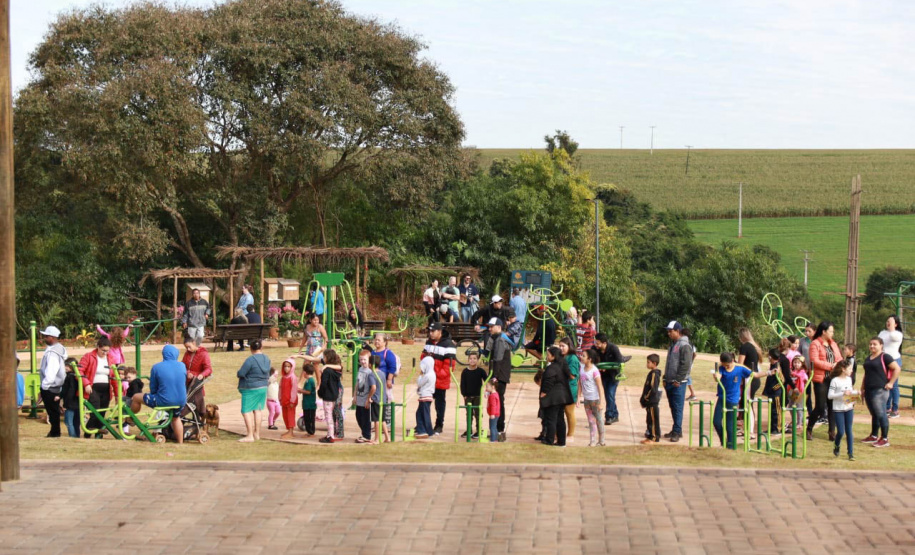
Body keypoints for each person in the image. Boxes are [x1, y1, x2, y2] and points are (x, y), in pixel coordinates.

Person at [129, 345, 188, 443]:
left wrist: (155, 395)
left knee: (135, 397)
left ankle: (130, 418)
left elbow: (153, 387)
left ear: (163, 354)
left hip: (164, 400)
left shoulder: (157, 367)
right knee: (175, 418)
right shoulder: (182, 366)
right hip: (181, 401)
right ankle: (180, 442)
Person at [713, 352, 768, 449]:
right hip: (722, 398)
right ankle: (723, 440)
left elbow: (755, 375)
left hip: (732, 399)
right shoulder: (721, 368)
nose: (726, 367)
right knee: (716, 422)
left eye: (728, 365)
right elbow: (718, 376)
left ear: (732, 361)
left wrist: (768, 373)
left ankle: (731, 446)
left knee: (729, 424)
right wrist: (716, 377)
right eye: (724, 365)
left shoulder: (740, 368)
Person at [861, 337, 901, 448]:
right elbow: (866, 374)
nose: (872, 346)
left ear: (881, 345)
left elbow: (897, 368)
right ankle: (873, 435)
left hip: (880, 390)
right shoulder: (868, 358)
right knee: (874, 413)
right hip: (869, 389)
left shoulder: (885, 357)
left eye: (875, 344)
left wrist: (891, 383)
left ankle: (884, 438)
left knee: (881, 413)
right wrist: (862, 387)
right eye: (870, 344)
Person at [806, 321, 840, 441]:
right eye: (831, 331)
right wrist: (831, 366)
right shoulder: (815, 344)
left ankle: (832, 432)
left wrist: (839, 365)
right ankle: (809, 428)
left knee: (832, 406)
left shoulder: (833, 344)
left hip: (833, 379)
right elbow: (814, 361)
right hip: (820, 379)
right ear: (824, 331)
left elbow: (839, 358)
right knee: (820, 407)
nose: (832, 333)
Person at [421, 321, 456, 435]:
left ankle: (439, 425)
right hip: (428, 381)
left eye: (433, 331)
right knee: (425, 403)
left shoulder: (449, 345)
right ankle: (424, 425)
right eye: (429, 331)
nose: (430, 333)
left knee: (439, 405)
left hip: (440, 381)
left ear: (439, 332)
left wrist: (434, 374)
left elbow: (449, 367)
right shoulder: (428, 342)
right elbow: (423, 357)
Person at [78, 337, 117, 439]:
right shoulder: (88, 356)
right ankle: (87, 433)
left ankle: (98, 436)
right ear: (98, 347)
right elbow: (79, 371)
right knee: (95, 411)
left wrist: (117, 394)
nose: (105, 353)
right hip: (93, 388)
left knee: (102, 413)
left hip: (106, 390)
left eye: (107, 351)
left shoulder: (110, 359)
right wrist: (86, 384)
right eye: (103, 350)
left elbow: (114, 377)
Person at [663, 321, 692, 443]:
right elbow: (670, 363)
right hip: (670, 381)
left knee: (678, 407)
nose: (669, 333)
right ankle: (676, 429)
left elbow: (685, 365)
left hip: (678, 382)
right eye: (668, 331)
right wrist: (665, 377)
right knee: (673, 407)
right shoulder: (673, 344)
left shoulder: (684, 345)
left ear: (677, 331)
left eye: (671, 331)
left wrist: (678, 379)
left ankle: (677, 431)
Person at [235, 339, 270, 443]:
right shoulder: (266, 358)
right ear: (261, 348)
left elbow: (241, 373)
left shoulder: (250, 360)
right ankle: (257, 434)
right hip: (263, 386)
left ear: (251, 348)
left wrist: (239, 373)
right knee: (258, 410)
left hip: (250, 387)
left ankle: (249, 435)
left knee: (246, 411)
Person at [539, 346, 574, 446]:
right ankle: (561, 441)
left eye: (548, 354)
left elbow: (549, 381)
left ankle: (549, 439)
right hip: (562, 397)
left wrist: (544, 393)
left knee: (552, 419)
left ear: (553, 356)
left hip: (554, 398)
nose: (546, 356)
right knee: (560, 419)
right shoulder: (562, 365)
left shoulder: (552, 368)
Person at [486, 318, 513, 442]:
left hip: (499, 377)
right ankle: (496, 429)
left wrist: (494, 377)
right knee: (497, 403)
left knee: (498, 403)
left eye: (492, 326)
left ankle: (499, 430)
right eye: (489, 326)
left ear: (499, 327)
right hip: (500, 376)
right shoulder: (497, 339)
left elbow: (497, 360)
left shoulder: (500, 340)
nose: (490, 328)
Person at [594, 333, 630, 426]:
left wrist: (607, 367)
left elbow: (619, 361)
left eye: (598, 343)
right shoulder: (595, 349)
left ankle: (609, 416)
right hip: (602, 375)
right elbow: (592, 360)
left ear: (604, 343)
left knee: (610, 394)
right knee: (608, 395)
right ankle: (615, 414)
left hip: (613, 375)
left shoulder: (613, 348)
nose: (596, 345)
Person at [39, 327, 69, 435]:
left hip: (50, 386)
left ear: (52, 337)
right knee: (54, 411)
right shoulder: (59, 349)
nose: (44, 338)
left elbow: (51, 371)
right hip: (56, 385)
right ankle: (55, 431)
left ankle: (55, 432)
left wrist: (45, 386)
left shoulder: (53, 353)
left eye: (46, 336)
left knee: (52, 412)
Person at [736, 327, 764, 438]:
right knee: (746, 402)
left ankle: (751, 431)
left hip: (750, 378)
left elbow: (740, 364)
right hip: (754, 378)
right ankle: (746, 428)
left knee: (748, 403)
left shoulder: (745, 346)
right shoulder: (753, 346)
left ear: (741, 337)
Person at [371, 333, 399, 442]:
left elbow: (392, 367)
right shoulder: (373, 352)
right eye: (375, 340)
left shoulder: (388, 353)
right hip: (375, 382)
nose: (377, 342)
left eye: (379, 340)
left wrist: (389, 379)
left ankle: (387, 422)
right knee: (376, 402)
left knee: (386, 401)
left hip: (384, 382)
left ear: (384, 342)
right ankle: (379, 424)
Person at [828, 360, 857, 460]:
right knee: (841, 431)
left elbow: (850, 392)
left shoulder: (849, 379)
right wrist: (842, 394)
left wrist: (854, 396)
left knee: (849, 430)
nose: (851, 370)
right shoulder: (835, 380)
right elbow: (830, 396)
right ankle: (837, 445)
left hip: (848, 408)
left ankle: (850, 453)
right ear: (843, 369)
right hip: (838, 409)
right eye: (849, 368)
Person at [579, 349, 605, 447]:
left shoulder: (594, 371)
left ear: (589, 359)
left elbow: (600, 387)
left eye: (583, 356)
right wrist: (578, 396)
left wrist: (601, 402)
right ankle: (592, 441)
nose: (581, 357)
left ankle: (602, 440)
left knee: (599, 420)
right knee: (590, 421)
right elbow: (580, 383)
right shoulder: (581, 368)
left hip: (595, 400)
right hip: (587, 400)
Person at [879, 315, 904, 418]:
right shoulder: (882, 333)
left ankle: (895, 409)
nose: (888, 323)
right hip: (884, 360)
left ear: (896, 324)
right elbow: (879, 343)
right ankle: (887, 407)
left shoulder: (898, 334)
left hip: (894, 361)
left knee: (893, 385)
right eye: (887, 321)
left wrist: (892, 328)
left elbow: (893, 337)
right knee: (885, 385)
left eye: (891, 321)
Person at [182, 337, 212, 420]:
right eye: (186, 347)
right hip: (187, 382)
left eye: (189, 347)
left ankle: (201, 419)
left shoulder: (204, 354)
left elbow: (208, 369)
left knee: (198, 402)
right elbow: (182, 366)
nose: (188, 349)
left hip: (197, 383)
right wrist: (187, 373)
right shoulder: (187, 354)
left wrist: (202, 375)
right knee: (187, 402)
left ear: (194, 343)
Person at [354, 351, 381, 444]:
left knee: (365, 418)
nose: (362, 361)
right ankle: (364, 433)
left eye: (364, 359)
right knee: (358, 416)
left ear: (369, 360)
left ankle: (366, 435)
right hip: (359, 397)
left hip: (365, 399)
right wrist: (354, 396)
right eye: (361, 359)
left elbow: (372, 387)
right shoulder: (360, 369)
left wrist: (368, 399)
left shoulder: (370, 372)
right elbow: (357, 383)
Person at [460, 350, 487, 439]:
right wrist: (464, 394)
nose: (472, 360)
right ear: (468, 360)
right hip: (468, 397)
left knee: (478, 414)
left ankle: (479, 430)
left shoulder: (480, 371)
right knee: (469, 414)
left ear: (478, 360)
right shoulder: (465, 372)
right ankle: (469, 430)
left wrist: (488, 389)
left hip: (477, 396)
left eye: (475, 359)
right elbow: (462, 384)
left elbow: (487, 380)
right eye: (471, 359)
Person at [317, 352, 343, 444]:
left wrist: (320, 392)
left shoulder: (327, 371)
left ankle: (330, 436)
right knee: (331, 415)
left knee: (328, 417)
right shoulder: (335, 371)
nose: (323, 358)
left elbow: (323, 383)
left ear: (328, 358)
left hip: (327, 396)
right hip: (334, 395)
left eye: (324, 356)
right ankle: (329, 434)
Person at [559, 338, 579, 442]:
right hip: (561, 388)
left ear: (569, 346)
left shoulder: (573, 358)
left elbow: (572, 375)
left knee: (569, 412)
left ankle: (571, 434)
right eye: (560, 346)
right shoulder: (561, 357)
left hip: (570, 389)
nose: (561, 348)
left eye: (563, 346)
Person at [640, 354, 662, 444]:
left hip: (652, 401)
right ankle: (650, 435)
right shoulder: (651, 373)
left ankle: (653, 437)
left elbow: (653, 389)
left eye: (648, 362)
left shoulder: (654, 374)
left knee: (653, 420)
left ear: (654, 363)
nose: (647, 364)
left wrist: (646, 398)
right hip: (649, 402)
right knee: (649, 419)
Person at [763, 349, 785, 435]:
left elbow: (782, 380)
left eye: (770, 356)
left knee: (776, 411)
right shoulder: (772, 365)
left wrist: (774, 388)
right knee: (772, 411)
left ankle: (777, 428)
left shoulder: (777, 367)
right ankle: (772, 428)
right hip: (771, 393)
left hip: (776, 394)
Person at [414, 357, 436, 439]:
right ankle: (424, 430)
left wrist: (420, 375)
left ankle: (425, 431)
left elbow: (419, 383)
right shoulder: (432, 374)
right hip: (427, 396)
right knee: (421, 413)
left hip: (425, 396)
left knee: (422, 414)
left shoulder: (427, 375)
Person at [60, 358, 81, 438]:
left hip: (70, 403)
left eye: (68, 366)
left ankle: (73, 436)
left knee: (69, 422)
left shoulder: (70, 376)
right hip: (77, 402)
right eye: (65, 365)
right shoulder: (77, 376)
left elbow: (68, 390)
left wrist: (65, 403)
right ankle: (77, 435)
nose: (66, 367)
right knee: (76, 422)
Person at [279, 358, 299, 439]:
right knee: (285, 415)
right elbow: (280, 388)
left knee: (290, 415)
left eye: (288, 367)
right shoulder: (283, 377)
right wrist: (280, 398)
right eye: (285, 366)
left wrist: (292, 401)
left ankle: (291, 431)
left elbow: (294, 390)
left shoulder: (293, 377)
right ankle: (288, 430)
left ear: (292, 367)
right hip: (284, 400)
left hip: (290, 401)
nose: (286, 368)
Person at [298, 363, 317, 436]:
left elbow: (308, 392)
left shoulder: (309, 381)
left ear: (305, 372)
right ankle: (310, 431)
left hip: (309, 404)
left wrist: (300, 390)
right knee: (309, 418)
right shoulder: (310, 380)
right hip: (309, 404)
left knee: (309, 418)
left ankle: (311, 432)